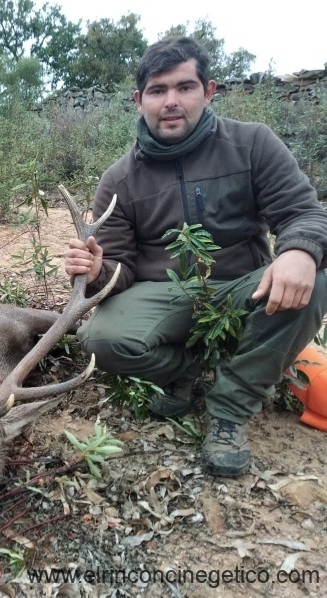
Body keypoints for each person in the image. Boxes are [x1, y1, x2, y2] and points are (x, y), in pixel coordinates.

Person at [63, 36, 327, 478]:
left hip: (245, 286)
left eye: (185, 87)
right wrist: (96, 271)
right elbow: (120, 270)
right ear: (138, 100)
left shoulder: (253, 143)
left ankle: (228, 409)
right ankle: (188, 370)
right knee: (99, 341)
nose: (171, 101)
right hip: (164, 292)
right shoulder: (119, 179)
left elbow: (305, 213)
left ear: (208, 91)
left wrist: (299, 250)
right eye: (157, 90)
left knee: (317, 276)